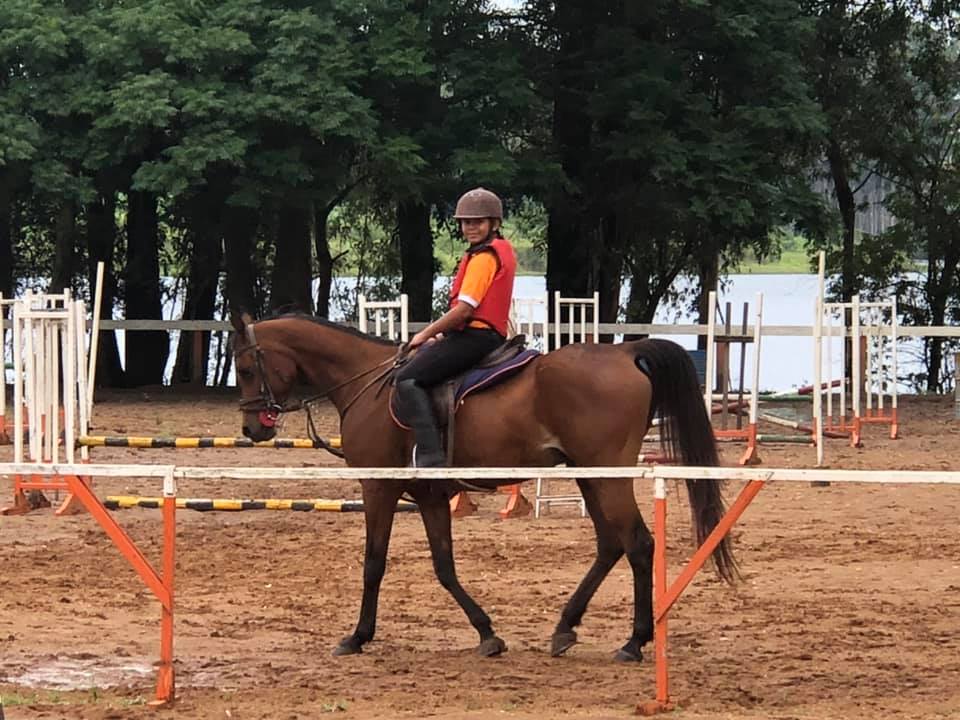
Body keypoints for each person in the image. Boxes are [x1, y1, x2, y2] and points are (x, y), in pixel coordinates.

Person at [395, 187, 517, 467]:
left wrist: (424, 334)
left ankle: (430, 455)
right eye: (466, 222)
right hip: (480, 334)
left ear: (494, 224)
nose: (470, 227)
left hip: (476, 337)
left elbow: (464, 310)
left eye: (478, 222)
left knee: (406, 379)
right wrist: (441, 333)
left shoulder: (484, 257)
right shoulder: (495, 251)